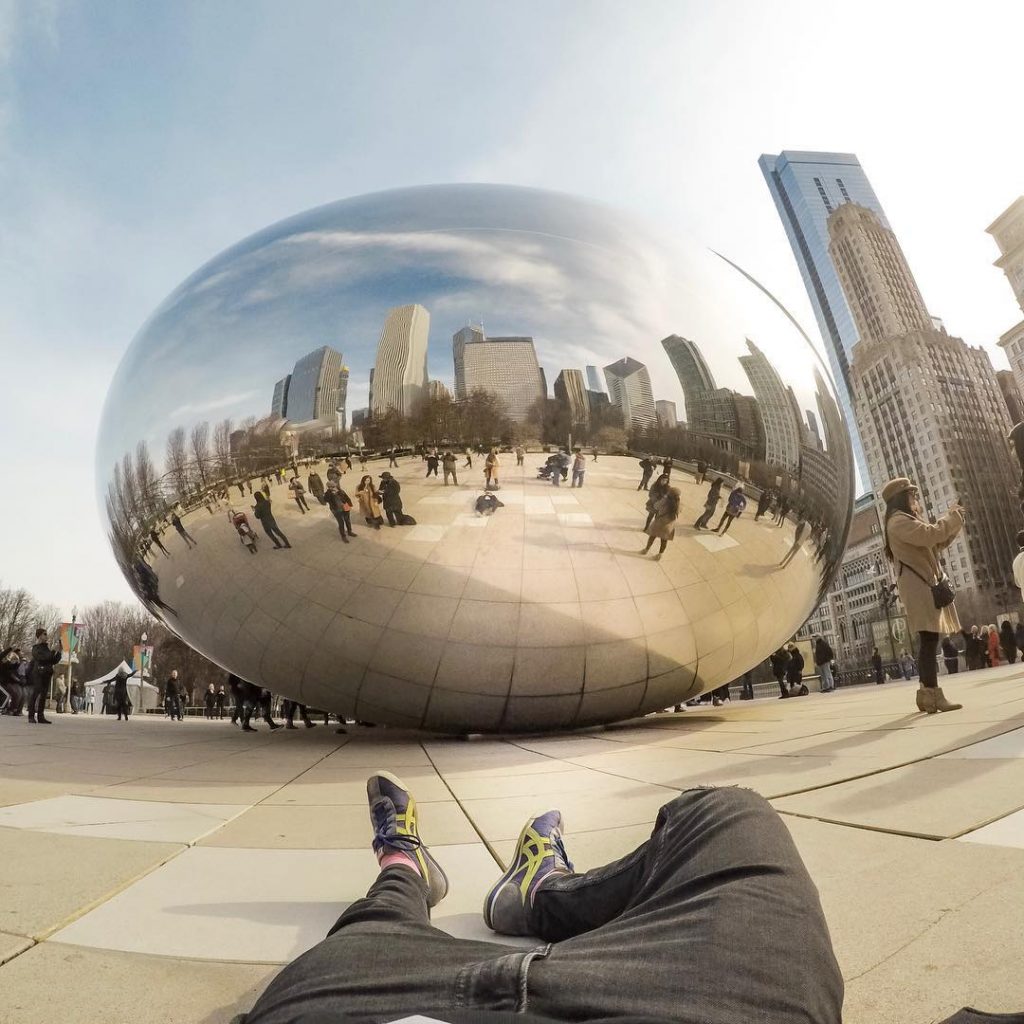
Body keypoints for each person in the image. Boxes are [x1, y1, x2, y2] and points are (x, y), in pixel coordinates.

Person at [237, 773, 847, 1024]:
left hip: (373, 1004)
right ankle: (541, 894)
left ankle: (404, 867)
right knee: (727, 813)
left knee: (374, 924)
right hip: (697, 1001)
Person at [883, 476, 965, 714]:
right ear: (901, 498)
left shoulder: (905, 520)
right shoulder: (898, 522)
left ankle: (926, 694)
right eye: (911, 495)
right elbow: (930, 534)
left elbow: (934, 544)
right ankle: (933, 695)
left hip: (921, 585)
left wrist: (955, 522)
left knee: (929, 640)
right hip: (919, 587)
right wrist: (952, 517)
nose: (915, 499)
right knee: (929, 640)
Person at [27, 627, 62, 725]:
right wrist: (53, 651)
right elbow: (42, 658)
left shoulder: (46, 648)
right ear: (39, 636)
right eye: (45, 634)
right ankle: (31, 715)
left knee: (43, 695)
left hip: (47, 673)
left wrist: (58, 652)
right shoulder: (36, 648)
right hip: (39, 673)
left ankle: (41, 716)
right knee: (36, 692)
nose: (47, 636)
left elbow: (52, 660)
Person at [641, 486, 680, 561]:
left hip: (660, 522)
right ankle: (660, 555)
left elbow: (656, 506)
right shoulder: (678, 504)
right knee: (664, 540)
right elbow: (678, 511)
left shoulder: (665, 501)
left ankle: (646, 550)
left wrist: (664, 498)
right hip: (669, 525)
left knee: (652, 536)